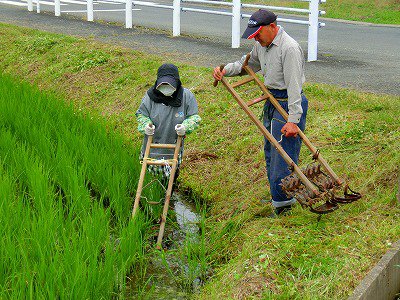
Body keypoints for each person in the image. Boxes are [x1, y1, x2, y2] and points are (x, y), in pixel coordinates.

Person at [212, 9, 308, 216]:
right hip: (271, 100)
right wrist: (224, 70)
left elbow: (294, 88)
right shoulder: (261, 45)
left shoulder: (289, 48)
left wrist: (293, 120)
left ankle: (284, 206)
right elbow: (247, 65)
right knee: (270, 152)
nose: (256, 39)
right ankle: (278, 195)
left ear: (272, 27)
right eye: (253, 35)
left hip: (288, 103)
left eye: (258, 34)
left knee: (283, 156)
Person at [136, 63, 201, 186]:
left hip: (174, 148)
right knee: (150, 183)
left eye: (169, 84)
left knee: (170, 182)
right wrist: (146, 125)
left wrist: (185, 127)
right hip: (152, 147)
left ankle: (169, 199)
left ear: (176, 82)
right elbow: (141, 114)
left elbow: (194, 117)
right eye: (163, 84)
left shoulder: (186, 96)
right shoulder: (150, 97)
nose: (166, 87)